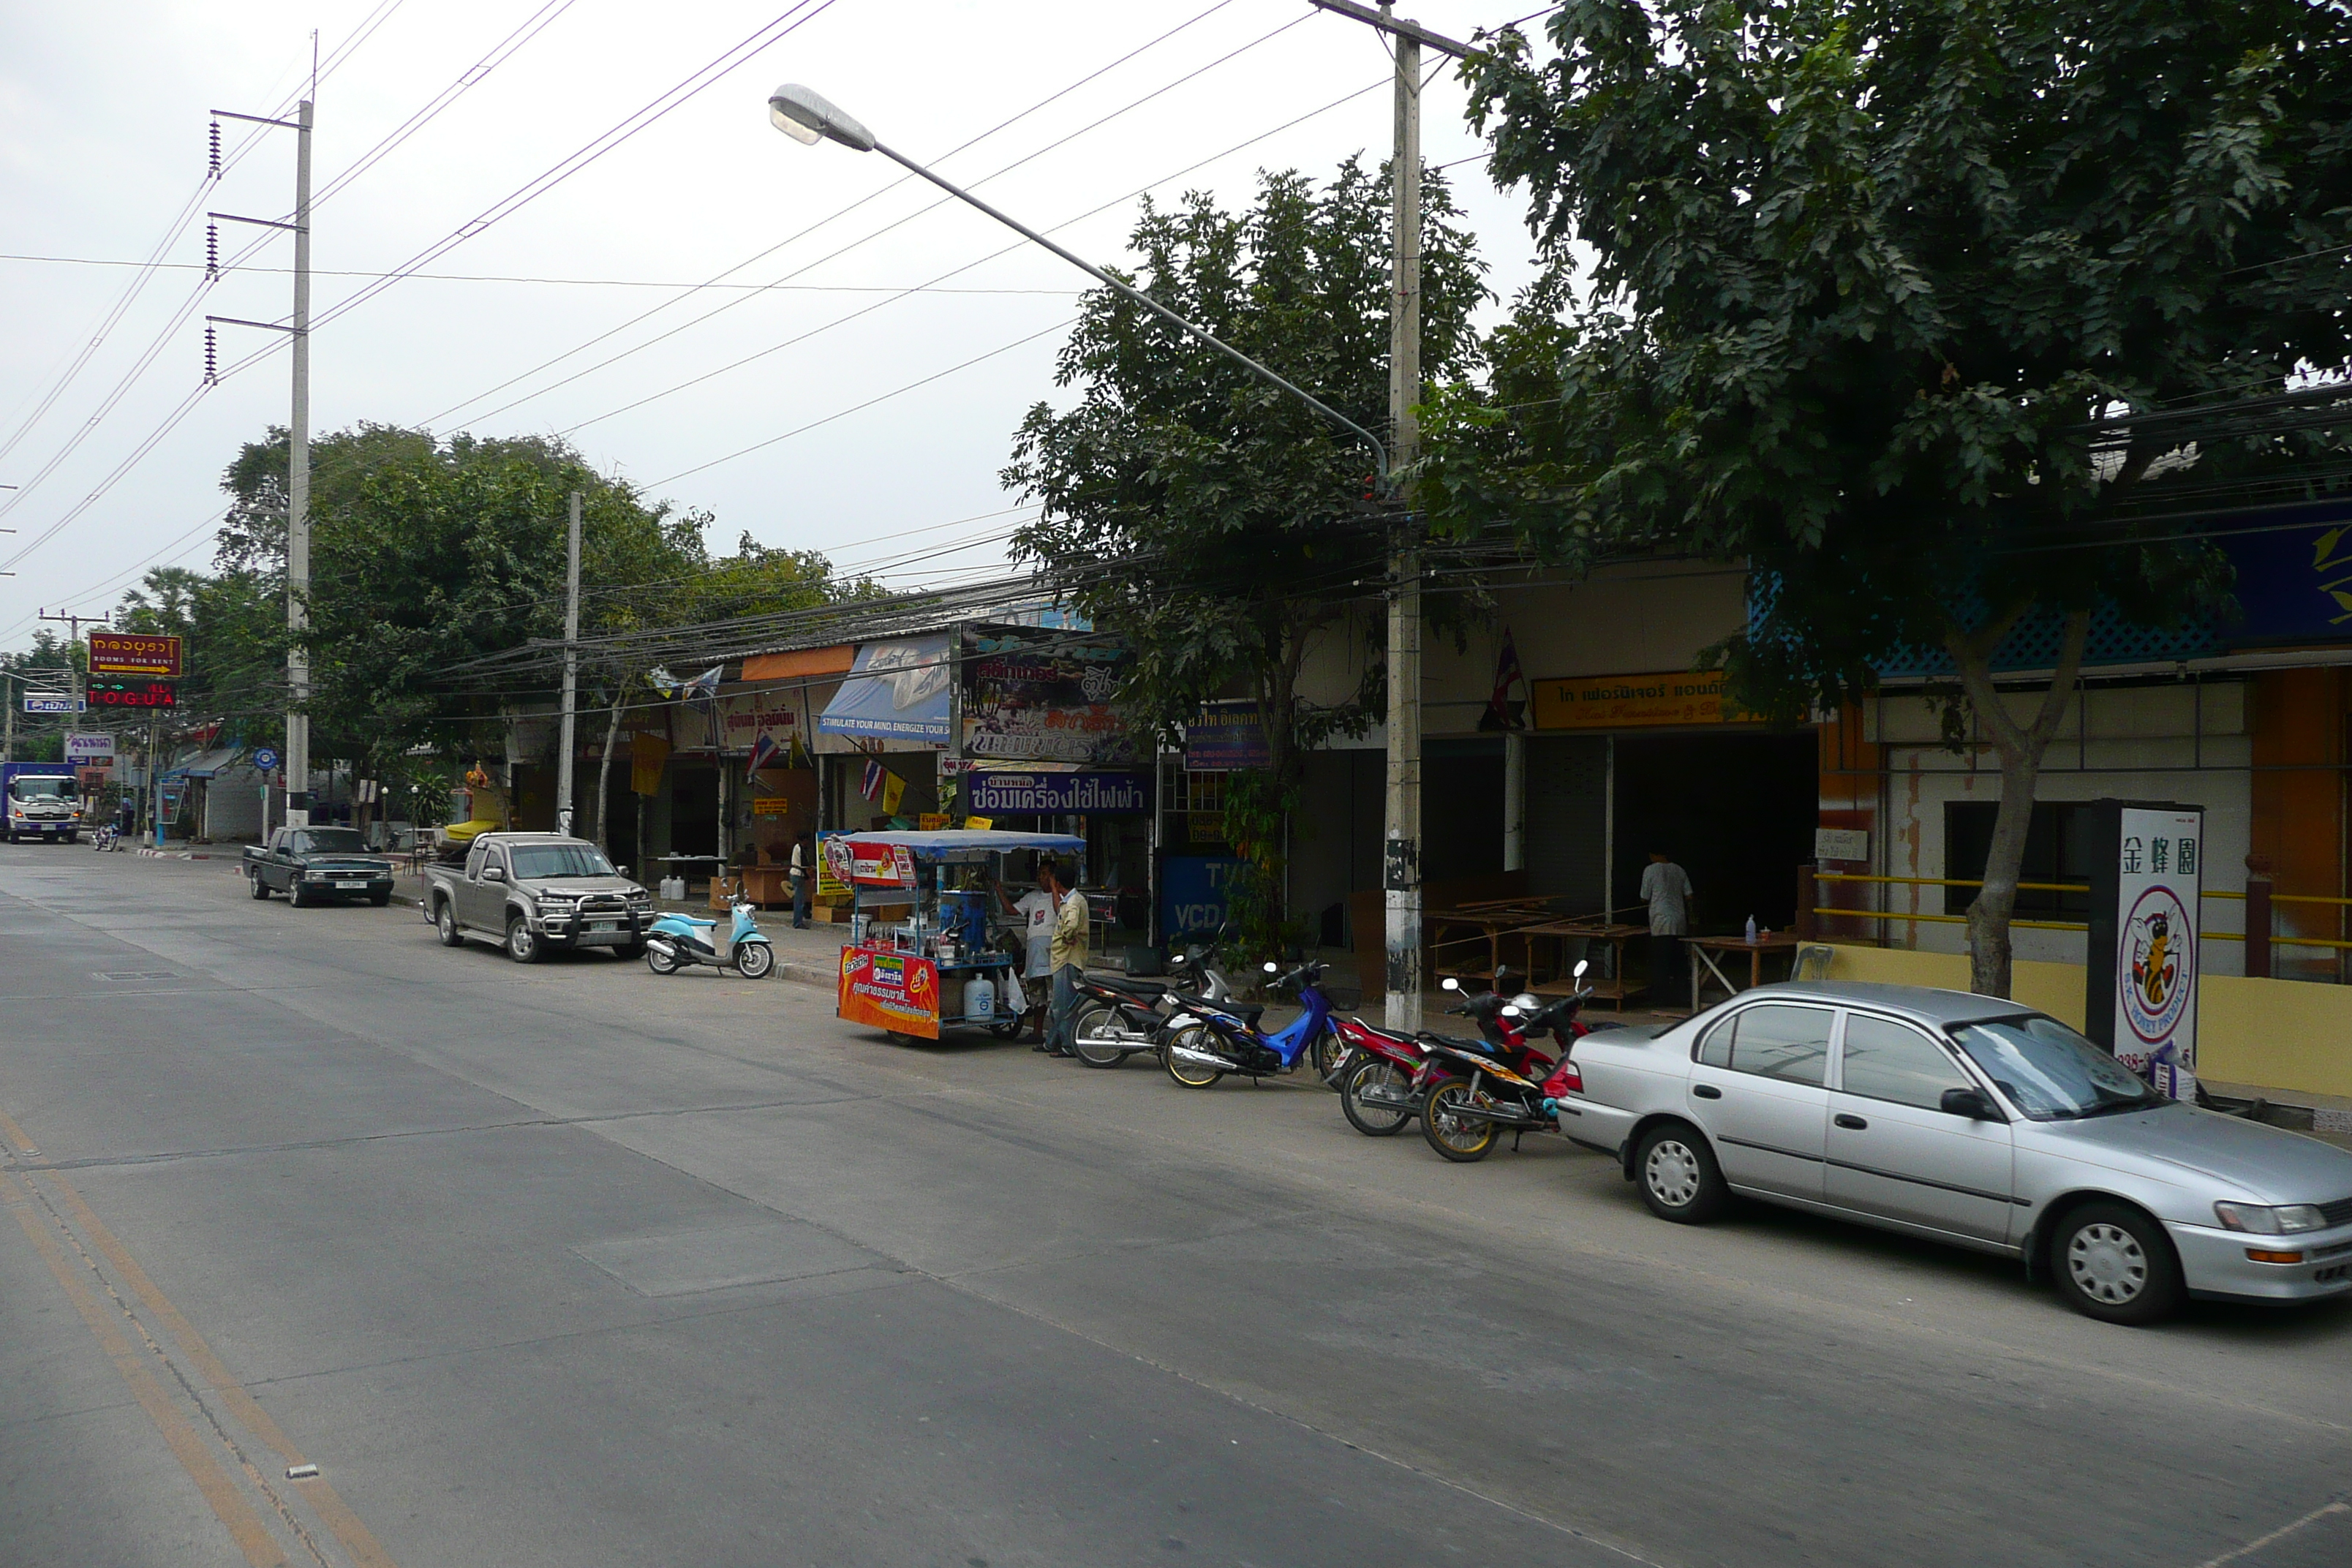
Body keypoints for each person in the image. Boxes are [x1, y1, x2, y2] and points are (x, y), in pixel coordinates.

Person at [1041, 859, 1090, 1059]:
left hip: (1068, 960)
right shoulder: (1069, 901)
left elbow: (1070, 927)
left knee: (1064, 1006)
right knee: (1060, 1005)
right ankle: (1052, 1042)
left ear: (1058, 884)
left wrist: (1066, 937)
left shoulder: (1074, 903)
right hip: (1063, 960)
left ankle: (1069, 1046)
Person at [1004, 867, 1058, 1047]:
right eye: (1040, 874)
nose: (1040, 877)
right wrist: (998, 890)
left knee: (1054, 996)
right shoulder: (1033, 897)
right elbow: (1012, 910)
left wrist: (1054, 887)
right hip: (1035, 953)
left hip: (1053, 952)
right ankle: (1037, 1032)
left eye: (1045, 874)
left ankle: (1057, 1036)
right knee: (1037, 996)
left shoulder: (1061, 898)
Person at [1640, 848, 1694, 1006]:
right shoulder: (1679, 870)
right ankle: (1681, 997)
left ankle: (1660, 999)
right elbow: (1689, 895)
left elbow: (1644, 897)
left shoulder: (1650, 870)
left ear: (1653, 854)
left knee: (1661, 961)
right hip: (1678, 921)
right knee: (1678, 960)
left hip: (1660, 921)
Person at [788, 834, 813, 929]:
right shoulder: (800, 849)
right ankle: (798, 922)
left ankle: (803, 917)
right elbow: (804, 867)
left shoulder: (797, 847)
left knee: (800, 899)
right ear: (804, 840)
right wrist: (810, 877)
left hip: (795, 874)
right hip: (798, 875)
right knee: (799, 900)